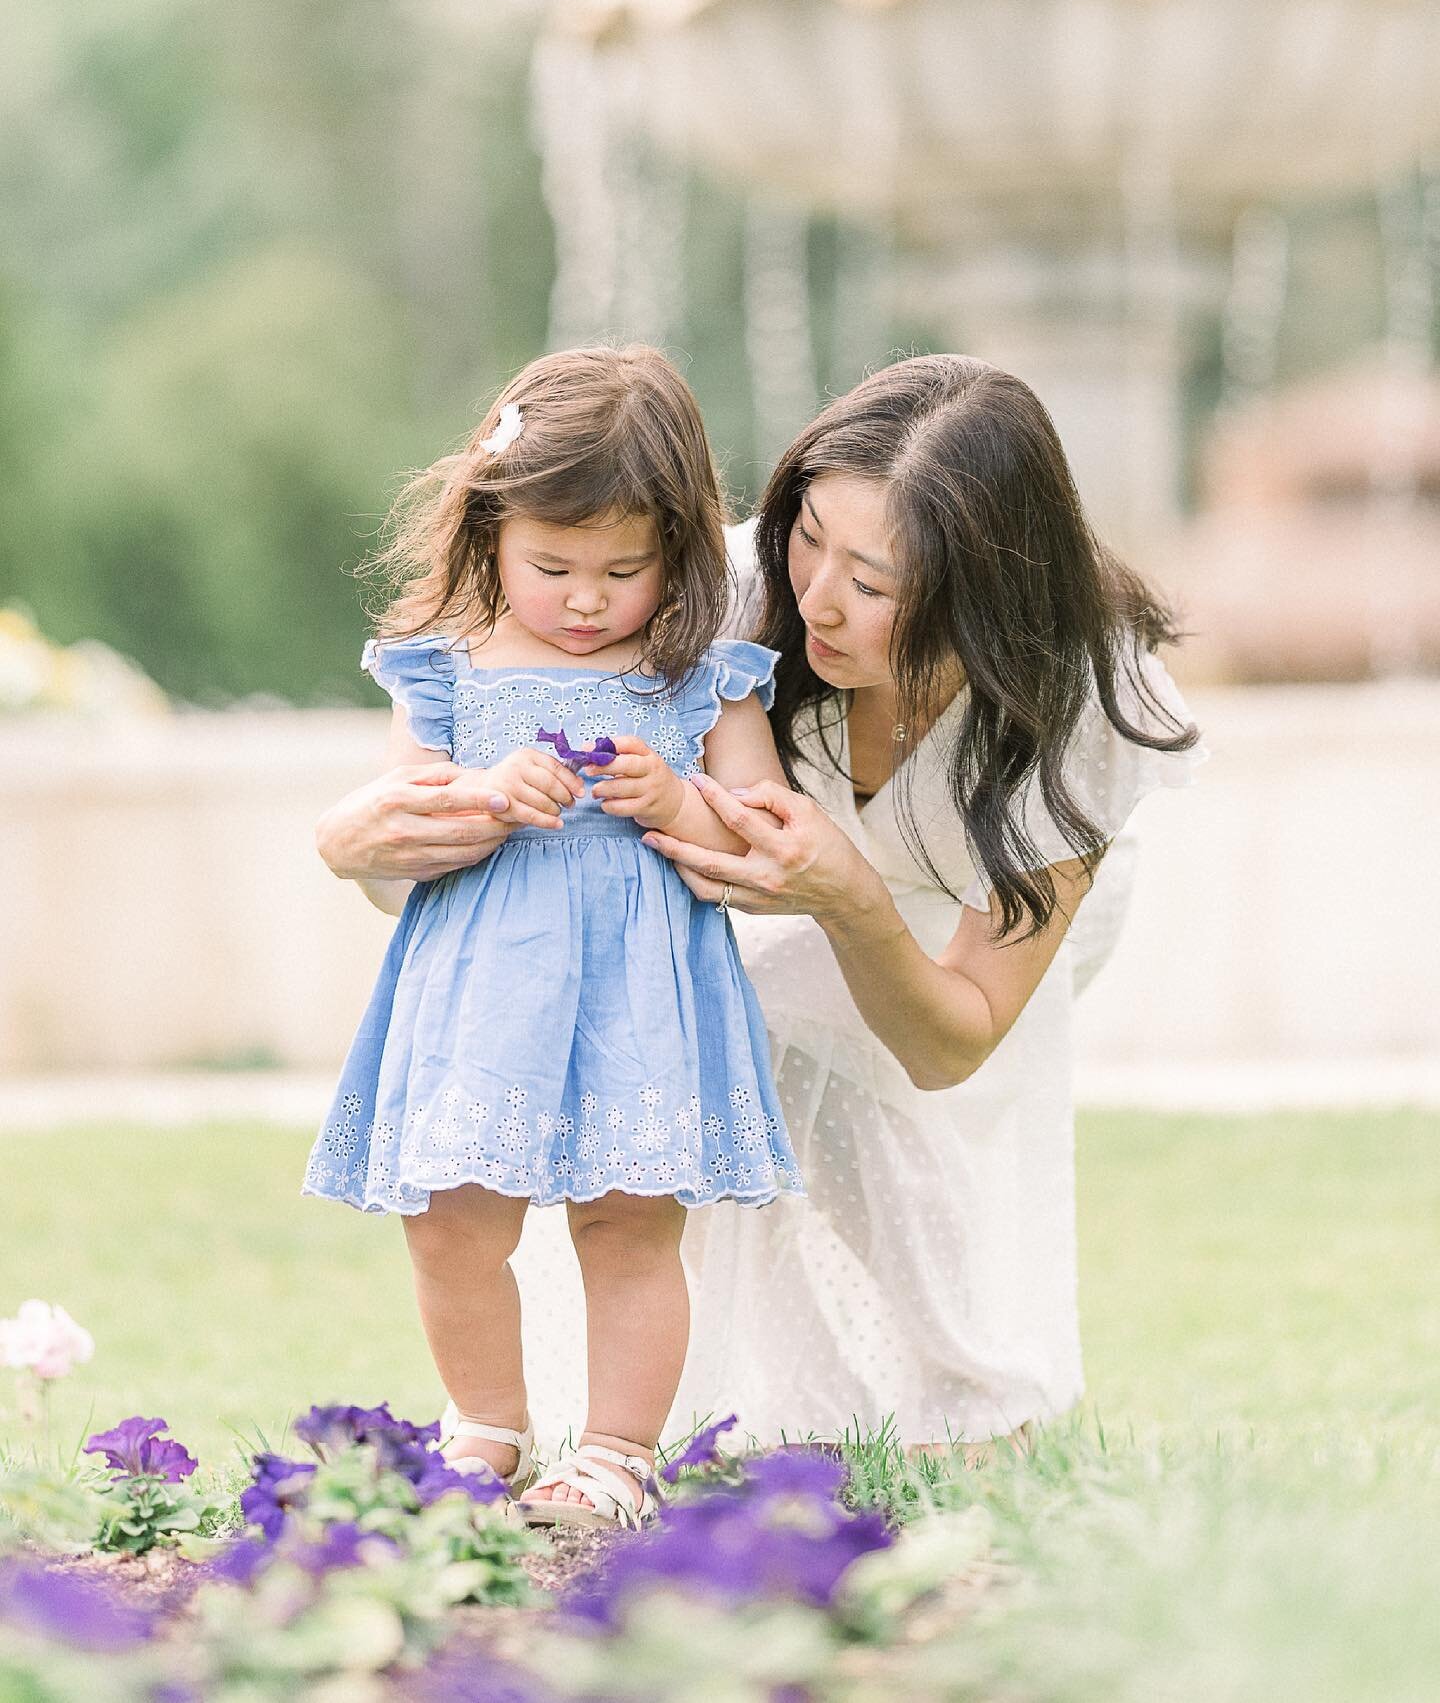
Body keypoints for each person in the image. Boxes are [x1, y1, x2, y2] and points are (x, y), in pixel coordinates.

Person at [317, 353, 1204, 1458]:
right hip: (796, 876)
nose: (816, 597)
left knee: (885, 1100)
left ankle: (975, 1395)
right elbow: (459, 796)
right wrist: (352, 841)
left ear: (980, 598)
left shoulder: (1084, 697)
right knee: (748, 1042)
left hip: (976, 922)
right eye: (807, 534)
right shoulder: (691, 583)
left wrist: (850, 898)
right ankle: (802, 1404)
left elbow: (953, 1038)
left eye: (874, 584)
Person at [303, 345, 803, 1529]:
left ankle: (618, 1448)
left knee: (629, 1221)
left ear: (678, 551)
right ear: (488, 534)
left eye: (624, 569)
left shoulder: (696, 677)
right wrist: (483, 795)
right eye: (552, 564)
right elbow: (400, 820)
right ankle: (485, 1420)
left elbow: (771, 839)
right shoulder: (446, 668)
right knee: (451, 1216)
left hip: (639, 987)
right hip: (485, 986)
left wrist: (680, 801)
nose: (586, 597)